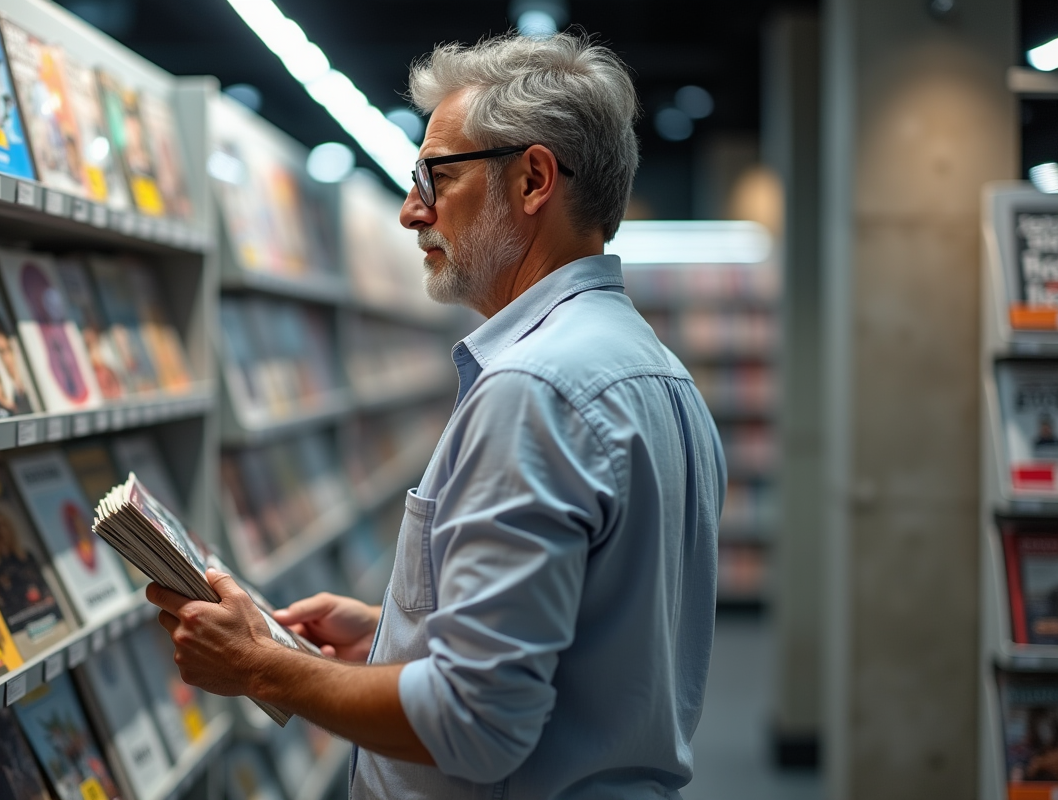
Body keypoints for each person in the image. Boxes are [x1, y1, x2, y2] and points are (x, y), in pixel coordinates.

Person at [147, 32, 724, 798]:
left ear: (532, 180)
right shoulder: (657, 373)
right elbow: (585, 656)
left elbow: (474, 725)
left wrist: (262, 666)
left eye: (435, 176)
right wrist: (395, 639)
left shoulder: (534, 389)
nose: (410, 211)